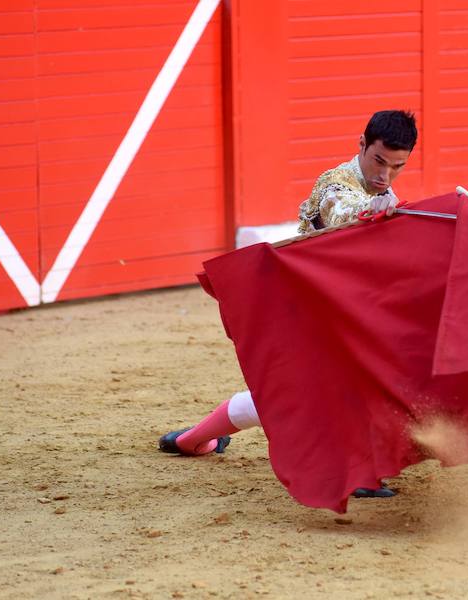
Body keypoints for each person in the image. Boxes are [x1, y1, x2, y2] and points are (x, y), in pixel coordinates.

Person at [158, 110, 419, 499]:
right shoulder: (337, 186)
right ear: (361, 145)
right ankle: (356, 471)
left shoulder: (384, 194)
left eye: (396, 166)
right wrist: (373, 214)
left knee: (294, 397)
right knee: (322, 392)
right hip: (313, 313)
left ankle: (194, 440)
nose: (385, 175)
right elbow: (343, 213)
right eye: (379, 161)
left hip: (342, 313)